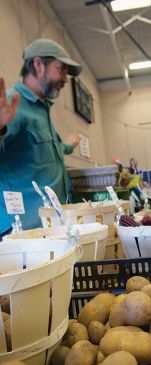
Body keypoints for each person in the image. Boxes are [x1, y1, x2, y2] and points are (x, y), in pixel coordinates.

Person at [0, 38, 82, 238]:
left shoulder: (40, 108)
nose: (65, 78)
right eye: (61, 69)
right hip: (23, 233)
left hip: (47, 227)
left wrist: (68, 146)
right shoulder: (12, 106)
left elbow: (40, 152)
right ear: (38, 65)